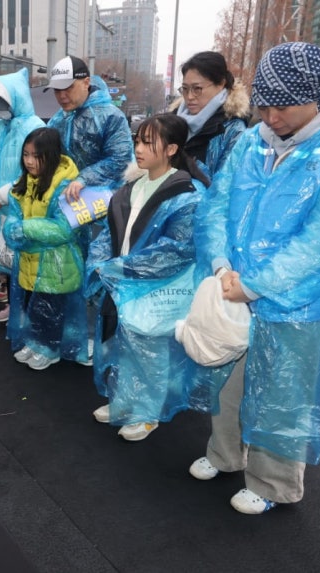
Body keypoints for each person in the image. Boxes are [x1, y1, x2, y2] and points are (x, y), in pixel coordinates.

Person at [189, 42, 320, 514]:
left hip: (301, 299)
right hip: (237, 284)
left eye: (282, 106)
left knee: (284, 391)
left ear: (316, 97)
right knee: (228, 375)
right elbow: (218, 204)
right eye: (264, 103)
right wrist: (220, 264)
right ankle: (226, 452)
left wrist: (256, 282)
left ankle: (274, 482)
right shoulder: (255, 140)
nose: (270, 116)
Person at [85, 114, 215, 442]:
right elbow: (108, 235)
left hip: (155, 289)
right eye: (137, 141)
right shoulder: (132, 187)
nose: (138, 149)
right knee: (124, 347)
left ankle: (147, 412)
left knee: (151, 352)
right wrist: (100, 264)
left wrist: (120, 268)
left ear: (171, 148)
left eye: (147, 142)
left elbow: (176, 250)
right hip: (124, 284)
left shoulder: (187, 194)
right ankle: (124, 401)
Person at [3, 127, 89, 370]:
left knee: (51, 310)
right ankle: (36, 342)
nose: (29, 161)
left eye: (36, 156)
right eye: (26, 155)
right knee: (34, 306)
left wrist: (25, 228)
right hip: (32, 261)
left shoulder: (66, 187)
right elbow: (14, 213)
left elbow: (64, 229)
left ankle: (49, 349)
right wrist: (12, 227)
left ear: (50, 156)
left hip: (57, 264)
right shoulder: (26, 182)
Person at [0, 68, 46, 323]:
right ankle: (15, 307)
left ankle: (27, 311)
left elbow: (37, 170)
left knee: (25, 262)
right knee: (6, 261)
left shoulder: (34, 126)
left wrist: (4, 194)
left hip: (21, 207)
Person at [45, 55, 133, 198]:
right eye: (56, 90)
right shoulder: (58, 120)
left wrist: (85, 179)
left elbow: (121, 158)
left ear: (86, 83)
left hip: (106, 201)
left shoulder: (111, 116)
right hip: (67, 200)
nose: (62, 95)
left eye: (68, 87)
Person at [172, 51, 249, 182]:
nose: (189, 96)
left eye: (197, 89)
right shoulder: (171, 122)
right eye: (185, 89)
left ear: (221, 84)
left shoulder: (233, 131)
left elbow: (223, 188)